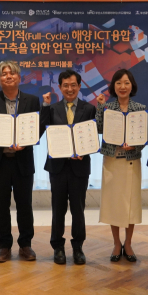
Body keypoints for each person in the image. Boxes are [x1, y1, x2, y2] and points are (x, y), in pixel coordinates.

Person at [0, 61, 41, 262]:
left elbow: (37, 128)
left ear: (19, 78)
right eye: (4, 74)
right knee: (1, 205)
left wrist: (26, 142)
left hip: (23, 159)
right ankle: (4, 247)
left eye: (12, 73)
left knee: (25, 204)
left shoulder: (32, 100)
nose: (8, 76)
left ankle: (25, 245)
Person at [40, 69, 96, 265]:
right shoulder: (52, 108)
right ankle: (58, 247)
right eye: (66, 85)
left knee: (78, 210)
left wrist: (85, 151)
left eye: (73, 85)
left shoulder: (89, 109)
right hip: (57, 167)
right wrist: (45, 105)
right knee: (58, 209)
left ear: (79, 86)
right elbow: (42, 129)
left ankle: (78, 247)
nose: (70, 89)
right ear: (60, 87)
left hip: (80, 167)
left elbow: (92, 135)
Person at [96, 69, 148, 262]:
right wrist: (100, 107)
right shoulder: (108, 107)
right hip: (112, 161)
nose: (122, 87)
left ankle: (128, 243)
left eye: (126, 83)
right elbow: (99, 128)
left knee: (131, 205)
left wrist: (135, 145)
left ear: (131, 85)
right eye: (118, 83)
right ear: (113, 86)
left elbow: (146, 136)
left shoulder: (140, 108)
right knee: (114, 204)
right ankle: (117, 243)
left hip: (131, 161)